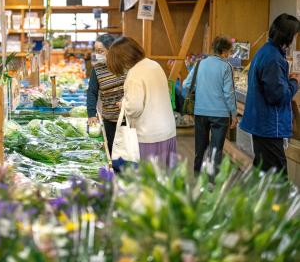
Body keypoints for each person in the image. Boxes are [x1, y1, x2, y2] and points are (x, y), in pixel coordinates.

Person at [240, 14, 300, 178]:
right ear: (287, 36)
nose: (295, 39)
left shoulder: (266, 51)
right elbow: (278, 96)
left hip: (262, 124)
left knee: (263, 173)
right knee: (277, 177)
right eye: (295, 35)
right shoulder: (273, 58)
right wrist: (295, 82)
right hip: (269, 126)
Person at [107, 37, 177, 168]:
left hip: (149, 135)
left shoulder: (135, 74)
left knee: (148, 182)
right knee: (163, 179)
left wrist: (123, 104)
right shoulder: (153, 64)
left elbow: (135, 108)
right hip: (167, 130)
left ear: (121, 59)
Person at [182, 36, 237, 174]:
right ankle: (212, 182)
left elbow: (186, 84)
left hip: (201, 112)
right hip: (220, 114)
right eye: (229, 52)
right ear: (224, 51)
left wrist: (202, 91)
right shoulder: (226, 66)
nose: (229, 55)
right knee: (216, 149)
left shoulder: (200, 64)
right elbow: (229, 93)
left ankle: (197, 176)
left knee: (200, 147)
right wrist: (234, 114)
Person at [86, 34, 125, 155]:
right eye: (96, 51)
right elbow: (92, 92)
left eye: (100, 51)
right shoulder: (97, 69)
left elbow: (135, 88)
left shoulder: (125, 66)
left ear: (111, 49)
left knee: (127, 153)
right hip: (109, 119)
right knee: (112, 153)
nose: (97, 54)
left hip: (127, 119)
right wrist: (91, 113)